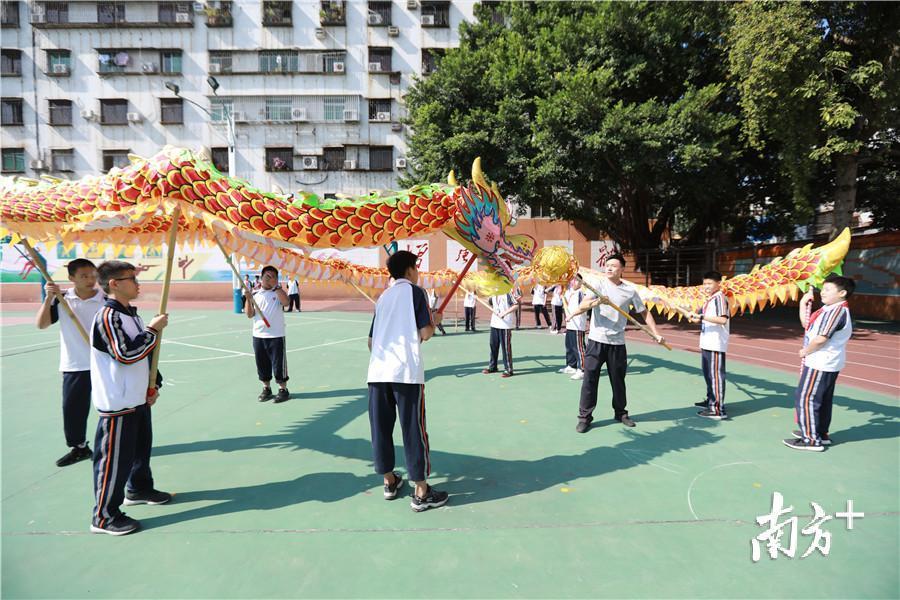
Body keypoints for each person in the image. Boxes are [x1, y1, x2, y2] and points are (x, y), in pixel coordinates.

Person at [89, 261, 170, 536]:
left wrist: (153, 382)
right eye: (131, 278)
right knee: (114, 460)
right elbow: (125, 354)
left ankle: (139, 488)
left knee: (140, 450)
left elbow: (144, 356)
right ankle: (104, 516)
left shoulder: (130, 315)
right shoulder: (107, 317)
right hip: (118, 403)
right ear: (114, 284)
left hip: (136, 398)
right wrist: (152, 331)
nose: (137, 283)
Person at [367, 250, 449, 512]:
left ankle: (389, 481)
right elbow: (425, 332)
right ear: (410, 269)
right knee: (413, 429)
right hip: (406, 373)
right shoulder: (415, 292)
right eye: (417, 267)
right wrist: (434, 321)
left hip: (378, 372)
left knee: (381, 429)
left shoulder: (383, 297)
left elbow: (370, 342)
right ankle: (422, 491)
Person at [570, 254, 666, 432]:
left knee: (618, 381)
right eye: (607, 265)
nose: (609, 268)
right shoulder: (598, 285)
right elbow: (582, 307)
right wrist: (598, 301)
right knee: (590, 380)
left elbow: (644, 313)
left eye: (614, 266)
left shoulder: (629, 291)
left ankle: (621, 413)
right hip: (596, 341)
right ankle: (585, 417)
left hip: (617, 344)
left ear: (622, 269)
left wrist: (656, 333)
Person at [36, 258, 105, 467]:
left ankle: (114, 443)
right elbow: (41, 324)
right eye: (84, 276)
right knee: (73, 409)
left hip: (104, 362)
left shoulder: (105, 299)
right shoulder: (62, 299)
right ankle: (80, 448)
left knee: (111, 407)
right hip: (75, 364)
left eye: (93, 275)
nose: (90, 279)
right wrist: (49, 299)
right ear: (71, 278)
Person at [785, 275, 854, 451]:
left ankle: (811, 439)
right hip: (823, 361)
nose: (822, 292)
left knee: (806, 398)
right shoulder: (827, 309)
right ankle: (819, 433)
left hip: (821, 362)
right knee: (822, 399)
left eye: (827, 289)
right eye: (822, 289)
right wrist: (802, 303)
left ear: (842, 293)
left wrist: (805, 351)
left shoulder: (836, 312)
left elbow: (821, 339)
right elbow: (807, 326)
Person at [687, 272, 730, 419]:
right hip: (706, 342)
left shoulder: (720, 298)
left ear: (719, 283)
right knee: (708, 374)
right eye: (705, 284)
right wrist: (696, 318)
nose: (706, 286)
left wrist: (702, 317)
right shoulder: (710, 299)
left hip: (716, 344)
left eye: (710, 283)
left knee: (715, 376)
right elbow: (702, 318)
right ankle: (711, 400)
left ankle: (717, 409)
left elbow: (722, 319)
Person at [245, 265, 291, 403]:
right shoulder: (255, 294)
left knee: (278, 364)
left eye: (273, 277)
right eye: (268, 276)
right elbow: (249, 314)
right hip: (258, 335)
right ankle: (266, 388)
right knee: (262, 364)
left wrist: (276, 287)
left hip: (276, 335)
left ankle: (283, 389)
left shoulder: (277, 293)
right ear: (262, 277)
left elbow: (287, 302)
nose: (270, 279)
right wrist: (248, 299)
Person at [482, 290, 519, 378]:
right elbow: (490, 303)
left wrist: (504, 313)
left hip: (505, 324)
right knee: (493, 346)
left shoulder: (507, 292)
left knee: (506, 348)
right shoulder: (494, 292)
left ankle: (509, 369)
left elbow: (516, 305)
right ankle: (493, 367)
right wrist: (477, 298)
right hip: (494, 323)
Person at [561, 279, 587, 381]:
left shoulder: (581, 292)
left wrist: (572, 315)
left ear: (581, 283)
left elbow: (583, 307)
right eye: (573, 280)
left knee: (579, 348)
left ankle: (583, 370)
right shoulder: (570, 292)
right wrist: (562, 295)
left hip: (578, 324)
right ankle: (571, 366)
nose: (574, 282)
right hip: (570, 324)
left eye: (577, 280)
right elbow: (567, 303)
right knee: (570, 346)